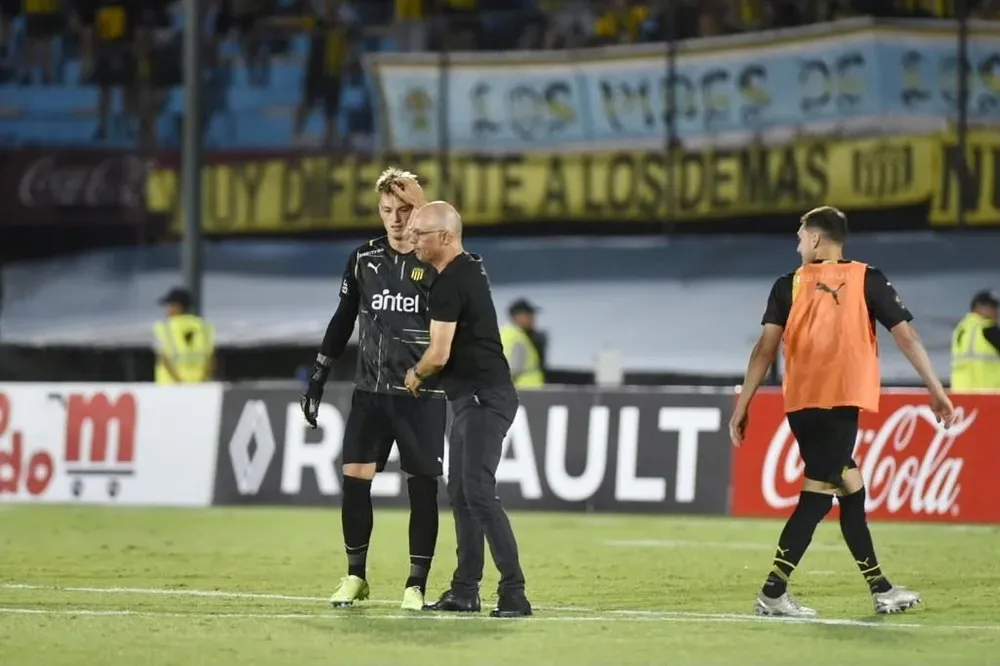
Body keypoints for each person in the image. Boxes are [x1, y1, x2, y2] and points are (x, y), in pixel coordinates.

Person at [729, 206, 956, 617]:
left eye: (800, 236)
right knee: (818, 496)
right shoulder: (868, 278)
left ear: (816, 239)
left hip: (802, 406)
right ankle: (773, 592)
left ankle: (881, 588)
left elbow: (764, 349)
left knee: (851, 487)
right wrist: (936, 390)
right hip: (840, 403)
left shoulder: (788, 285)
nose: (798, 243)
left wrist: (743, 404)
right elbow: (907, 337)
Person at [299, 168, 445, 612]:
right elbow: (343, 320)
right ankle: (355, 576)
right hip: (370, 393)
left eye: (404, 210)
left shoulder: (437, 263)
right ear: (379, 212)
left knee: (421, 487)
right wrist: (319, 377)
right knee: (355, 482)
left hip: (422, 395)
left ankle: (415, 584)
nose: (396, 220)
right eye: (387, 211)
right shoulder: (363, 260)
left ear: (418, 210)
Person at [404, 201, 532, 619]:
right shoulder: (468, 269)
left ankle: (514, 592)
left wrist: (417, 375)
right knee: (461, 492)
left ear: (445, 237)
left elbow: (438, 355)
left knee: (476, 491)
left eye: (421, 233)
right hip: (473, 397)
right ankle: (465, 590)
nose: (412, 239)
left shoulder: (449, 283)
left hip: (482, 397)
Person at [153, 287, 215, 384]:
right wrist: (203, 381)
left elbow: (163, 359)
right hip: (199, 386)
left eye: (170, 305)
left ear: (179, 307)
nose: (167, 310)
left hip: (170, 387)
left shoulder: (165, 328)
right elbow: (211, 360)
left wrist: (180, 383)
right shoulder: (204, 327)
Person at [950, 289, 1000, 390]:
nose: (995, 311)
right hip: (989, 395)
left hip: (961, 394)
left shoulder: (960, 330)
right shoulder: (989, 329)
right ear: (978, 307)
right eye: (991, 307)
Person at [500, 298, 546, 389]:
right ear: (518, 317)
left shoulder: (505, 332)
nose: (533, 319)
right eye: (529, 316)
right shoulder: (518, 338)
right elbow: (514, 369)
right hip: (526, 391)